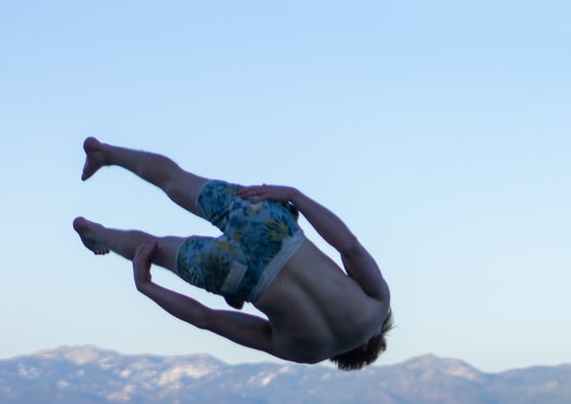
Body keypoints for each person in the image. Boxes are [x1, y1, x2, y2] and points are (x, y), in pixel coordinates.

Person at [73, 138, 393, 369]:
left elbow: (347, 245)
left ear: (374, 338)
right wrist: (148, 287)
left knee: (177, 181)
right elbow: (206, 320)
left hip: (271, 229)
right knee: (156, 248)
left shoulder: (376, 307)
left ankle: (106, 153)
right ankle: (98, 234)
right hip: (236, 274)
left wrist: (296, 196)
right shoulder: (305, 352)